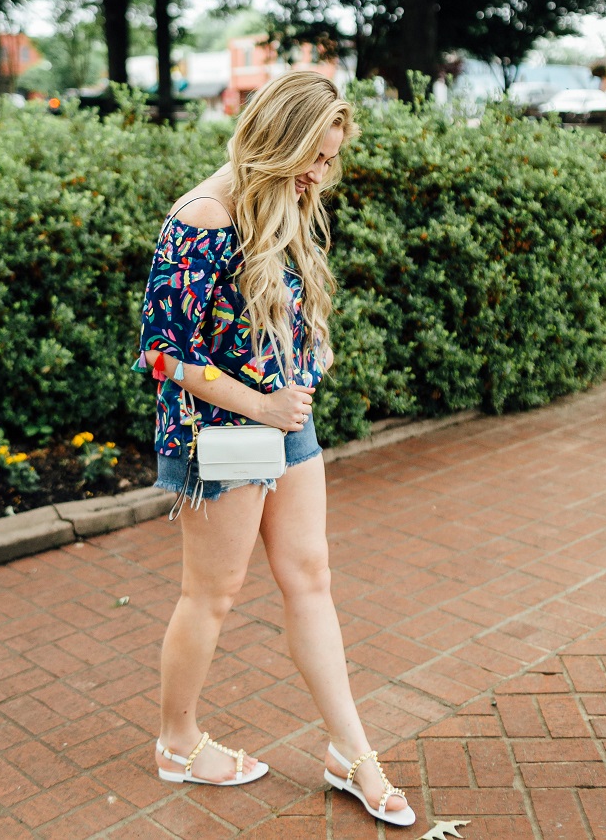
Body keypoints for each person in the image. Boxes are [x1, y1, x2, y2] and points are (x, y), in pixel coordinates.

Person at [135, 71, 415, 827]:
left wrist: (309, 342)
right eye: (314, 156)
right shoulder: (203, 215)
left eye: (330, 160)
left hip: (287, 424)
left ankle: (352, 754)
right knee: (214, 595)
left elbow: (268, 309)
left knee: (311, 576)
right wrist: (260, 401)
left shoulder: (280, 203)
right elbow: (160, 354)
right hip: (225, 435)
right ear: (280, 135)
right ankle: (177, 741)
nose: (321, 174)